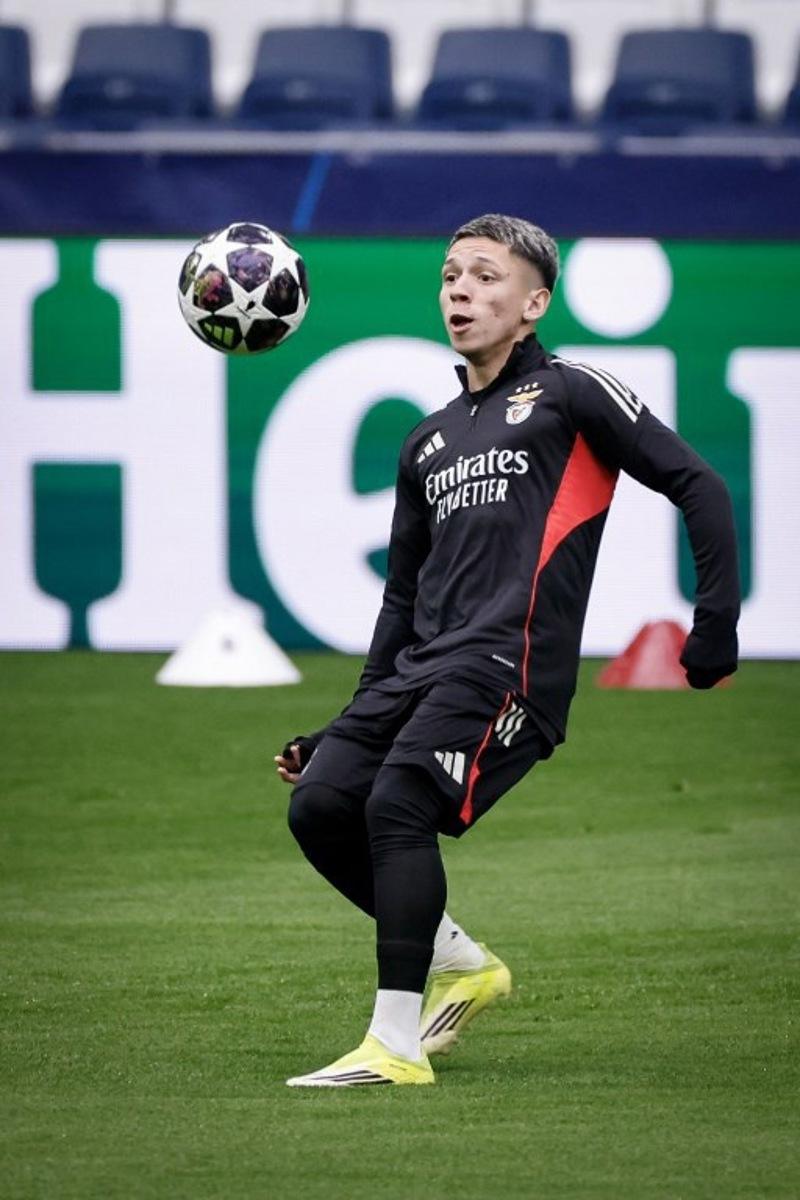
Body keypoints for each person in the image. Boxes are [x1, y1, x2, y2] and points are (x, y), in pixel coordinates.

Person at [275, 213, 740, 1087]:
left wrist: (715, 621)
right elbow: (401, 602)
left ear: (535, 302)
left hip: (508, 668)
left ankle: (395, 1047)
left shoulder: (570, 391)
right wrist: (343, 723)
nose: (461, 289)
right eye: (452, 274)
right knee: (322, 804)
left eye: (487, 276)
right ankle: (465, 965)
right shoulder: (429, 439)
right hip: (422, 669)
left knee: (398, 804)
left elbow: (698, 483)